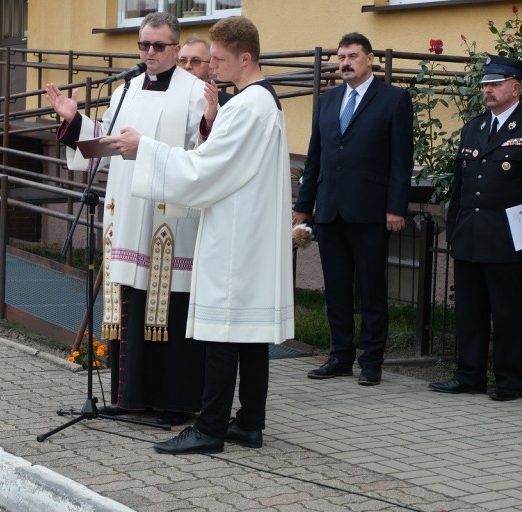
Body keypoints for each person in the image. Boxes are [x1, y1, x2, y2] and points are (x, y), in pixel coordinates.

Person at [102, 15, 294, 455]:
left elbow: (203, 168)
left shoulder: (246, 107)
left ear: (246, 58)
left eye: (220, 60)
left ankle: (209, 429)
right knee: (248, 337)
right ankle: (249, 424)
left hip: (234, 238)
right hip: (248, 231)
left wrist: (144, 149)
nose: (212, 69)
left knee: (222, 335)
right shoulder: (265, 102)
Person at [45, 12, 206, 423]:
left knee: (164, 309)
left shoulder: (193, 93)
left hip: (166, 217)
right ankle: (129, 399)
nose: (149, 53)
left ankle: (173, 405)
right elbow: (107, 136)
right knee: (128, 303)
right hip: (125, 213)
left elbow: (204, 154)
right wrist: (74, 120)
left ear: (175, 48)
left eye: (158, 46)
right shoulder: (127, 88)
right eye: (143, 46)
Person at [429, 54, 522, 401]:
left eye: (496, 83)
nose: (487, 89)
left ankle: (510, 381)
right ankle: (469, 374)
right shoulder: (474, 127)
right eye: (485, 83)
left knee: (508, 314)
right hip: (471, 234)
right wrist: (453, 227)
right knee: (469, 311)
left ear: (515, 87)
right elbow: (459, 186)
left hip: (508, 238)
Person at [292, 32, 413, 386]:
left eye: (352, 56)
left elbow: (400, 161)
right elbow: (315, 158)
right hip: (330, 210)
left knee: (373, 289)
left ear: (370, 59)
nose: (345, 63)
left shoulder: (393, 99)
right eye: (341, 57)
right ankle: (340, 356)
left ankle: (372, 360)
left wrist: (395, 207)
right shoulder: (328, 102)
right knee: (337, 289)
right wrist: (304, 205)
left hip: (371, 211)